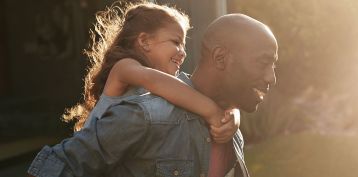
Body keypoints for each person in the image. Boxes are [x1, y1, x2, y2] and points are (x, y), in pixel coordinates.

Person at [28, 10, 278, 177]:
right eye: (263, 62)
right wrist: (214, 111)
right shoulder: (147, 114)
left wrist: (229, 114)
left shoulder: (229, 130)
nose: (271, 78)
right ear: (220, 58)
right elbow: (56, 167)